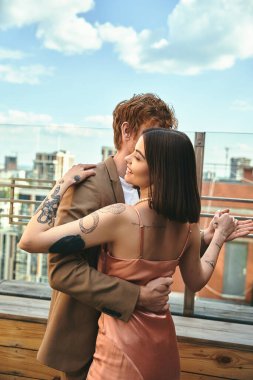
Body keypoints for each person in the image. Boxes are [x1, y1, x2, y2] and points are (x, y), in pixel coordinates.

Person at [19, 128, 241, 379]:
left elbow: (30, 240)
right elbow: (196, 280)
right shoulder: (188, 227)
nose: (127, 159)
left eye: (138, 156)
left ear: (159, 170)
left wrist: (61, 185)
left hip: (120, 350)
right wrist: (218, 237)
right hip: (162, 348)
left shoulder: (121, 217)